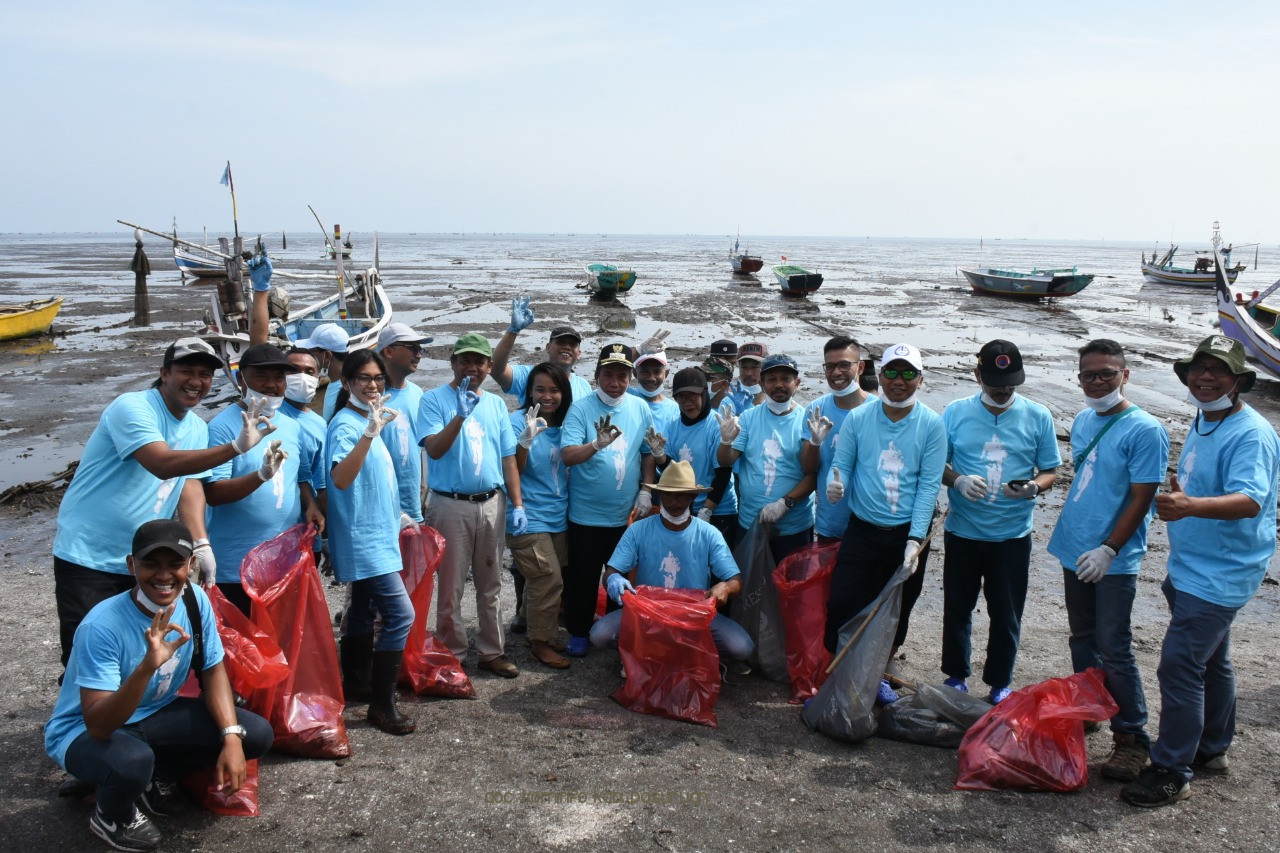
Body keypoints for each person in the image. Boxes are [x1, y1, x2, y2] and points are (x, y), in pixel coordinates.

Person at [45, 519, 273, 853]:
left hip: (153, 713)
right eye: (150, 564)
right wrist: (146, 667)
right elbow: (98, 725)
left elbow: (212, 670)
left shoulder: (194, 601)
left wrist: (231, 737)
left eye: (175, 564)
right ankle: (112, 814)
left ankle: (141, 779)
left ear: (190, 565)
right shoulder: (102, 626)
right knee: (131, 761)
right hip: (82, 730)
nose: (164, 576)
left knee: (256, 734)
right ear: (131, 565)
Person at [1122, 335, 1280, 807]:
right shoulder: (1206, 417)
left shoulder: (1250, 433)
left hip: (1222, 573)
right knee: (1213, 660)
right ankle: (1212, 748)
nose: (1205, 378)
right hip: (1192, 566)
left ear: (1239, 381)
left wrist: (1190, 506)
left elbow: (1250, 500)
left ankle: (1171, 767)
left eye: (1219, 371)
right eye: (1198, 369)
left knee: (1179, 666)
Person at [52, 338, 275, 667]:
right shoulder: (132, 407)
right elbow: (162, 463)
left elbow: (188, 485)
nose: (196, 382)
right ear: (164, 373)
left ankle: (127, 715)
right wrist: (235, 448)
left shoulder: (197, 428)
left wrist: (200, 543)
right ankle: (77, 718)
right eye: (186, 371)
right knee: (86, 650)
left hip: (145, 559)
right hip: (90, 555)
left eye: (205, 374)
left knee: (140, 648)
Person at [1047, 339, 1169, 783]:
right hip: (1073, 544)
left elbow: (1143, 496)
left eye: (1107, 374)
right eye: (1089, 374)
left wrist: (1110, 548)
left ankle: (1132, 737)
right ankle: (1090, 707)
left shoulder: (1145, 429)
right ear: (1079, 378)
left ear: (1125, 375)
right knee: (1082, 636)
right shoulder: (1082, 420)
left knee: (1115, 645)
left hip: (1113, 557)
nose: (1097, 381)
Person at [823, 343, 946, 705]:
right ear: (879, 376)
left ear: (920, 379)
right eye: (891, 372)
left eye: (908, 373)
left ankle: (881, 673)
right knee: (843, 602)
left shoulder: (932, 424)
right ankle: (838, 671)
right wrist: (836, 482)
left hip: (904, 534)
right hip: (862, 529)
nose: (899, 380)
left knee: (897, 609)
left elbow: (928, 487)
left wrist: (915, 540)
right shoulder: (861, 417)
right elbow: (842, 462)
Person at [939, 340, 1060, 704]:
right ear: (977, 375)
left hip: (1012, 535)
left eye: (1009, 381)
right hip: (963, 530)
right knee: (958, 607)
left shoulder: (1038, 416)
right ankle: (956, 675)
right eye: (994, 381)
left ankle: (999, 681)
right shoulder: (955, 413)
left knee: (1006, 613)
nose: (1002, 388)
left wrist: (1032, 487)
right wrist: (956, 479)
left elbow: (1051, 469)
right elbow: (938, 464)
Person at [421, 333, 525, 678]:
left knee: (491, 582)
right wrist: (459, 417)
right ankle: (453, 652)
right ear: (452, 362)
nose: (472, 367)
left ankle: (492, 651)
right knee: (451, 584)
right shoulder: (434, 399)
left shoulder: (496, 404)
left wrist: (517, 504)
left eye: (479, 361)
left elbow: (508, 458)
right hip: (450, 504)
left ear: (489, 366)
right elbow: (433, 449)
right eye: (465, 359)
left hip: (492, 502)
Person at [327, 349, 417, 734]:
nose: (373, 385)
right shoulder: (348, 426)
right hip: (364, 540)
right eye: (364, 378)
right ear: (346, 383)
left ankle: (359, 683)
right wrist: (367, 434)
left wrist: (398, 515)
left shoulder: (369, 419)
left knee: (362, 610)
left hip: (379, 533)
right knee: (401, 616)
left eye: (378, 378)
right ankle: (382, 705)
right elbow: (342, 479)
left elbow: (375, 483)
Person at [590, 461, 752, 663]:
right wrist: (614, 580)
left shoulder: (709, 534)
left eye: (680, 495)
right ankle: (639, 653)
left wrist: (725, 588)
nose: (673, 502)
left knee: (741, 647)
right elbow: (611, 572)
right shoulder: (638, 530)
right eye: (667, 494)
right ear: (660, 495)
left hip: (694, 615)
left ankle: (696, 654)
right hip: (647, 612)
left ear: (693, 497)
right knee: (599, 634)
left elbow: (736, 580)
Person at [204, 344, 324, 615]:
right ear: (240, 378)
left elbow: (302, 476)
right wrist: (260, 477)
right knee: (243, 647)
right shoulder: (222, 427)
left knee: (282, 642)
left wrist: (311, 505)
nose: (271, 385)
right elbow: (214, 492)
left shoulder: (291, 424)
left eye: (279, 378)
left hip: (285, 560)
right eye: (262, 377)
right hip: (237, 565)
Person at [560, 344, 657, 657]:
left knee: (621, 578)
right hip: (585, 516)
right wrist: (595, 445)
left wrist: (646, 490)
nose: (615, 382)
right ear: (596, 374)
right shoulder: (581, 408)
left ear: (631, 377)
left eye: (622, 375)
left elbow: (647, 454)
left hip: (624, 516)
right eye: (608, 374)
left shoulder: (640, 408)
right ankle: (578, 632)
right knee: (583, 578)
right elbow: (567, 455)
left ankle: (620, 631)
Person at [716, 353, 816, 564]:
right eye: (771, 379)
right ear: (762, 383)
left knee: (790, 589)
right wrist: (725, 441)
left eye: (785, 379)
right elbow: (727, 461)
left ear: (797, 383)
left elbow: (812, 474)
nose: (778, 384)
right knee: (751, 588)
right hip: (750, 523)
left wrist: (785, 503)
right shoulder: (748, 418)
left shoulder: (806, 419)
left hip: (794, 527)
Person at [505, 362, 573, 669]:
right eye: (540, 389)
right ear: (529, 391)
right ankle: (541, 643)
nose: (547, 396)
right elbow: (512, 471)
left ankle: (538, 629)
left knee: (548, 578)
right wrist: (524, 443)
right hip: (527, 515)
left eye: (554, 390)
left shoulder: (567, 423)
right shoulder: (517, 421)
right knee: (547, 578)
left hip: (559, 514)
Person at [802, 335, 875, 545]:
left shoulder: (877, 410)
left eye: (844, 365)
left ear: (860, 367)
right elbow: (808, 468)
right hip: (830, 522)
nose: (836, 373)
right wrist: (815, 443)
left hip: (868, 522)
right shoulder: (817, 410)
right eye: (830, 366)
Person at [657, 367, 740, 549]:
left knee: (716, 569)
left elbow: (724, 473)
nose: (688, 402)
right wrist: (660, 456)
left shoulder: (716, 425)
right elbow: (671, 470)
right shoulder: (673, 426)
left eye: (693, 395)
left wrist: (707, 509)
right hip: (685, 508)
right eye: (682, 397)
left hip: (719, 509)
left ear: (704, 393)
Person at [377, 322, 433, 526]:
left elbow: (417, 446)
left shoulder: (417, 394)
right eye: (413, 348)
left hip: (412, 501)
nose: (419, 355)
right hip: (381, 505)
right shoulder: (371, 396)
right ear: (388, 351)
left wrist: (422, 484)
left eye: (420, 349)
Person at [491, 294, 593, 401]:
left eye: (573, 344)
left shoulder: (584, 386)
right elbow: (496, 370)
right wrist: (513, 331)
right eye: (561, 342)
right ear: (548, 347)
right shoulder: (529, 376)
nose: (567, 347)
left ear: (579, 353)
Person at [280, 347, 330, 562]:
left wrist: (328, 538)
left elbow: (320, 483)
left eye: (310, 372)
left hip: (309, 530)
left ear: (318, 379)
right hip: (275, 530)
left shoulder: (319, 423)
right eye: (293, 370)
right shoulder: (272, 416)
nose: (302, 377)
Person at [292, 323, 350, 422]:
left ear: (327, 356)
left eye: (311, 352)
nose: (308, 357)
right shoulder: (337, 382)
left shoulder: (343, 391)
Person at [629, 347, 679, 430]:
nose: (651, 378)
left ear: (666, 374)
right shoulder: (626, 396)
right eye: (645, 371)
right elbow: (612, 368)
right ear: (635, 373)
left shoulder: (675, 410)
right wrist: (639, 349)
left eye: (657, 372)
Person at [728, 342, 768, 411]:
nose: (748, 373)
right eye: (744, 367)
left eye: (755, 367)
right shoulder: (729, 402)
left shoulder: (775, 404)